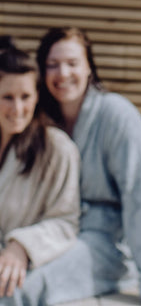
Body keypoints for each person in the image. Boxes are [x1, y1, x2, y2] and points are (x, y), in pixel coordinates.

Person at [25, 27, 141, 306]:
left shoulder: (117, 116)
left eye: (72, 63)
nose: (62, 73)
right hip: (48, 233)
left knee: (24, 285)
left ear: (89, 67)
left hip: (104, 243)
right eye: (52, 65)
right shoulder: (37, 121)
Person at [0, 36, 79, 304]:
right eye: (7, 97)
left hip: (24, 264)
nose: (18, 109)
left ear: (36, 96)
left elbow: (65, 221)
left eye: (25, 96)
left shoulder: (57, 148)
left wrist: (21, 245)